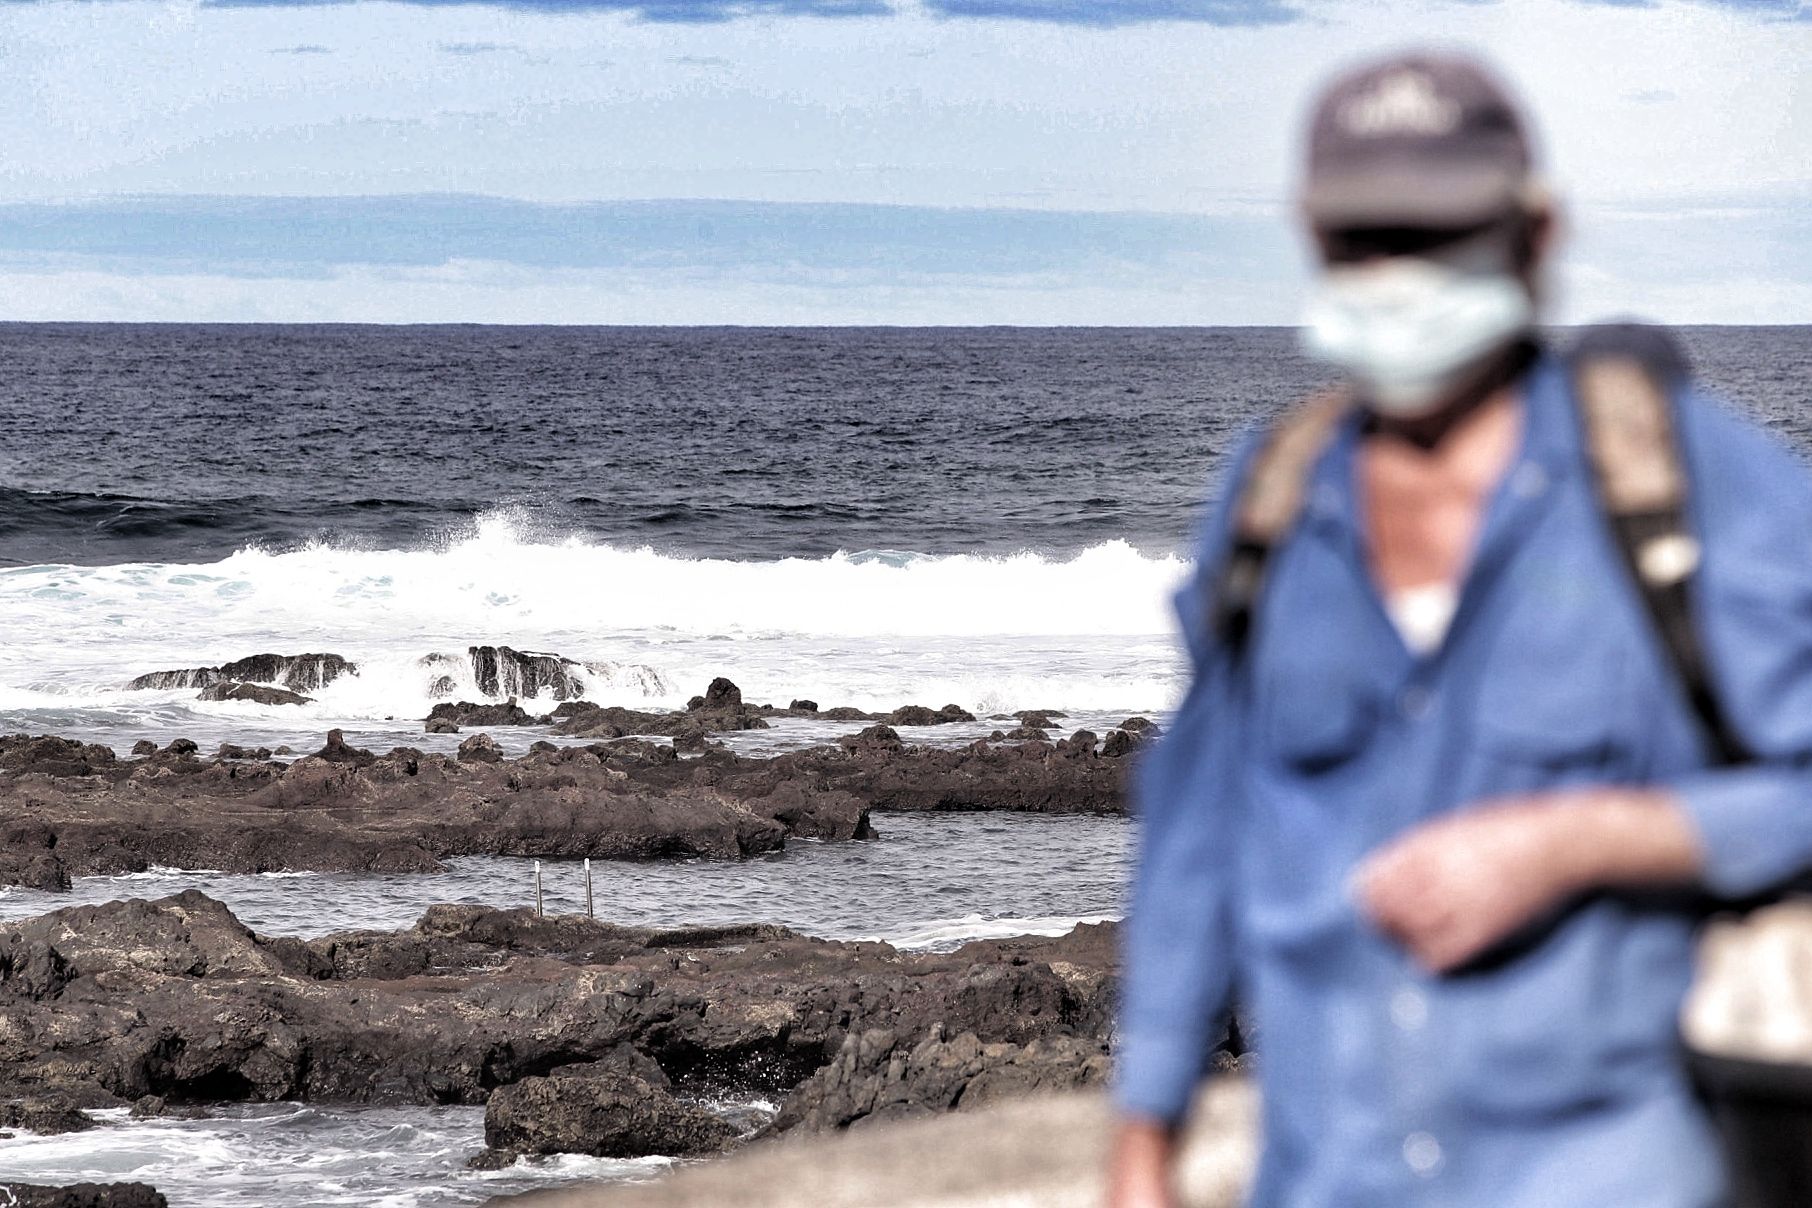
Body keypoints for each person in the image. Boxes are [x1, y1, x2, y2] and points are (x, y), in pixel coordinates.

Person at [1108, 50, 1812, 1208]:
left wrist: (1578, 837)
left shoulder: (1689, 484)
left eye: (1437, 236)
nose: (1397, 276)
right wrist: (1143, 1134)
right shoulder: (1271, 501)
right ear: (1309, 234)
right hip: (1325, 1177)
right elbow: (1200, 828)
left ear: (1535, 240)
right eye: (1360, 238)